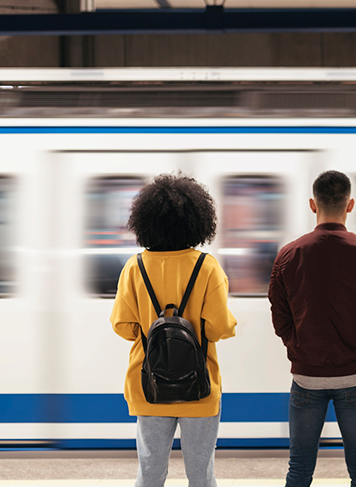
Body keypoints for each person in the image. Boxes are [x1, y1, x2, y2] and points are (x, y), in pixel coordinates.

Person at [110, 172, 237, 487]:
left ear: (146, 221)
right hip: (199, 387)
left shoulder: (134, 267)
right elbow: (219, 328)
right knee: (201, 475)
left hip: (149, 385)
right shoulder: (207, 268)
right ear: (197, 221)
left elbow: (123, 326)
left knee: (150, 474)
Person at [269, 170, 356, 487]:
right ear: (349, 205)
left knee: (298, 469)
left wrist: (297, 347)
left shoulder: (288, 255)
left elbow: (280, 318)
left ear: (313, 204)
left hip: (305, 378)